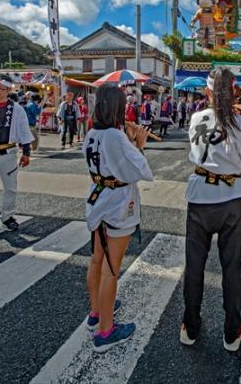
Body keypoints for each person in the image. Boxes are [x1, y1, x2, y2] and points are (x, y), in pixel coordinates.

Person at [180, 67, 241, 351]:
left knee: (195, 265)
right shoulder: (240, 123)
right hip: (231, 199)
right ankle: (232, 329)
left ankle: (190, 325)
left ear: (207, 92)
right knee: (232, 267)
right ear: (233, 92)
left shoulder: (195, 118)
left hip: (199, 197)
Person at [83, 85, 153, 352]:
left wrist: (130, 142)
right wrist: (139, 144)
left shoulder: (92, 133)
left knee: (96, 259)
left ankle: (96, 312)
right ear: (118, 106)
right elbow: (140, 171)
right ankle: (105, 332)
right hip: (118, 205)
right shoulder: (116, 136)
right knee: (112, 269)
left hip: (98, 200)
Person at [0, 75, 33, 231]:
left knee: (10, 187)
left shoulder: (16, 109)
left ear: (7, 90)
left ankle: (7, 216)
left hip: (7, 152)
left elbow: (24, 131)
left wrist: (26, 152)